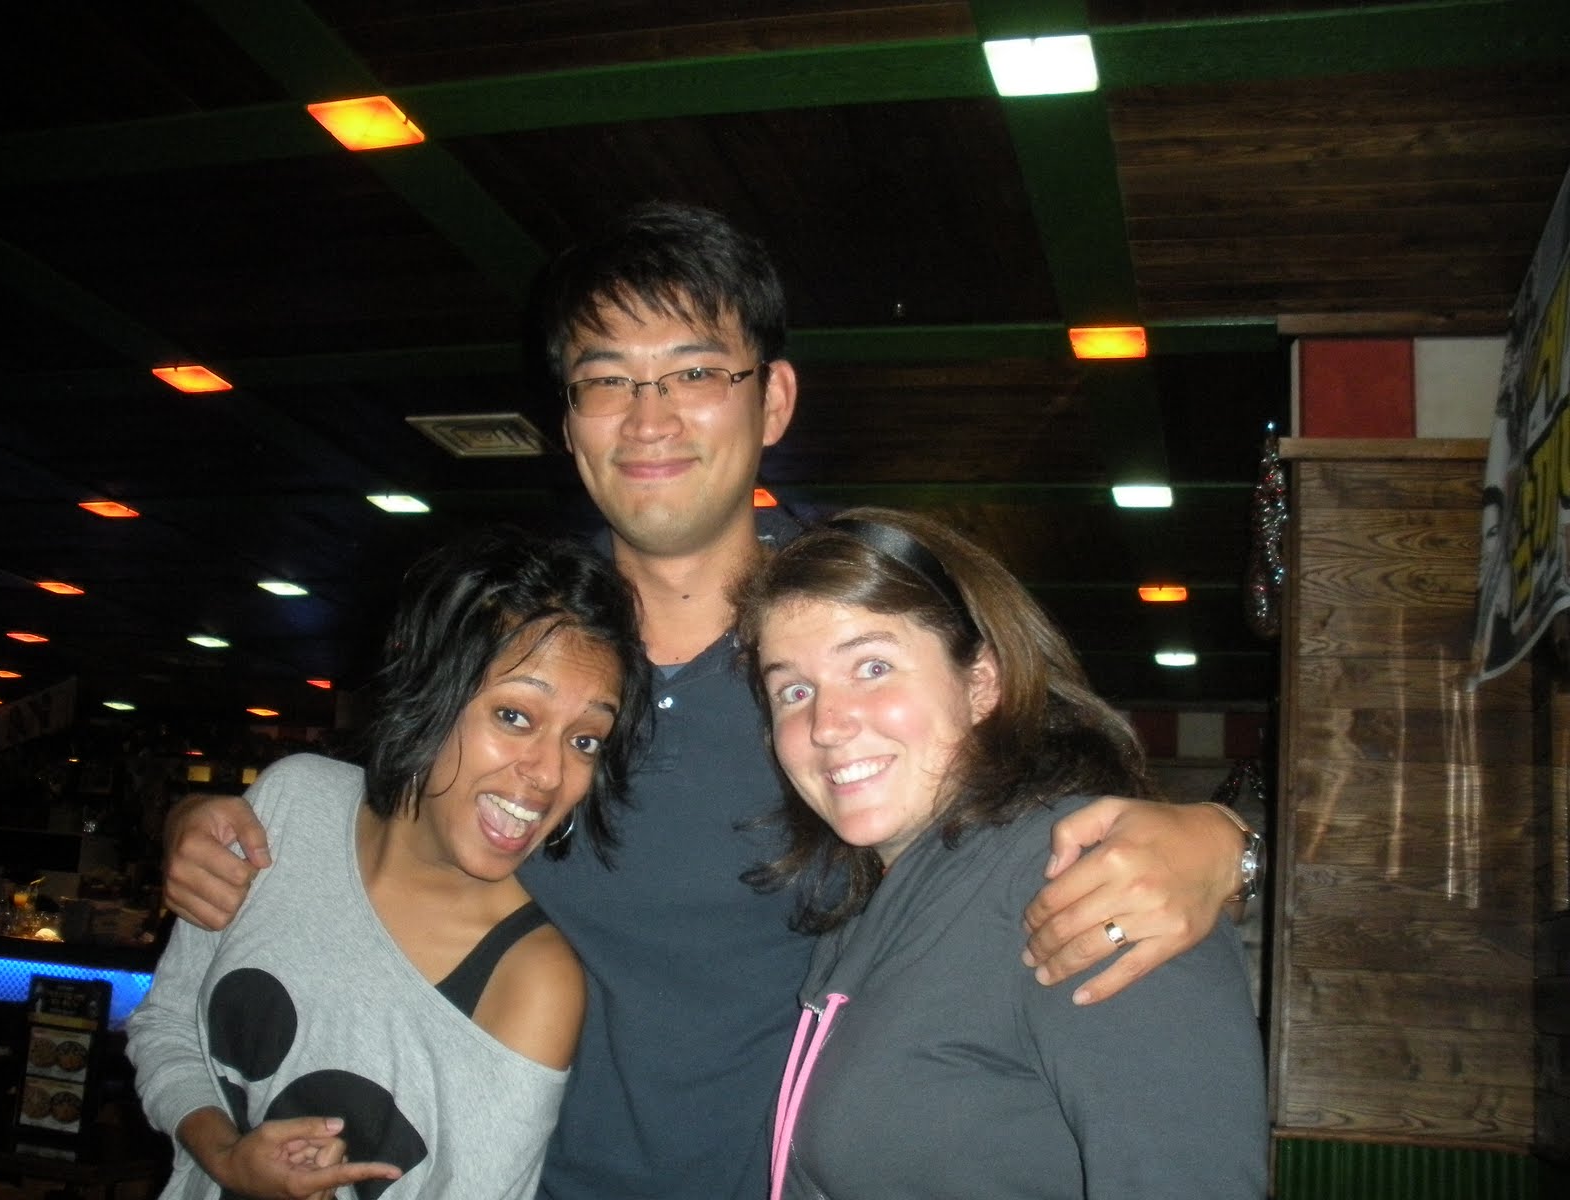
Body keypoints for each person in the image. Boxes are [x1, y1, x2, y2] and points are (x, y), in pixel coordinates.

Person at [158, 202, 1260, 1200]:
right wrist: (204, 821)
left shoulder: (845, 673)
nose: (649, 419)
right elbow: (388, 813)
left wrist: (1228, 843)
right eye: (607, 380)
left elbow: (1040, 802)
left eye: (694, 372)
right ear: (567, 420)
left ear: (772, 399)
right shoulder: (527, 658)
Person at [738, 509, 1267, 1198]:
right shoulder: (866, 912)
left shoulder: (1091, 881)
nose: (826, 725)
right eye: (794, 690)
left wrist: (1235, 849)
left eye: (872, 667)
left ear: (982, 683)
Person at [127, 527, 650, 1199]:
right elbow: (166, 1024)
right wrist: (226, 1155)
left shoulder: (529, 981)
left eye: (585, 740)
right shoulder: (290, 806)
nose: (549, 774)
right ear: (429, 687)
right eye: (515, 716)